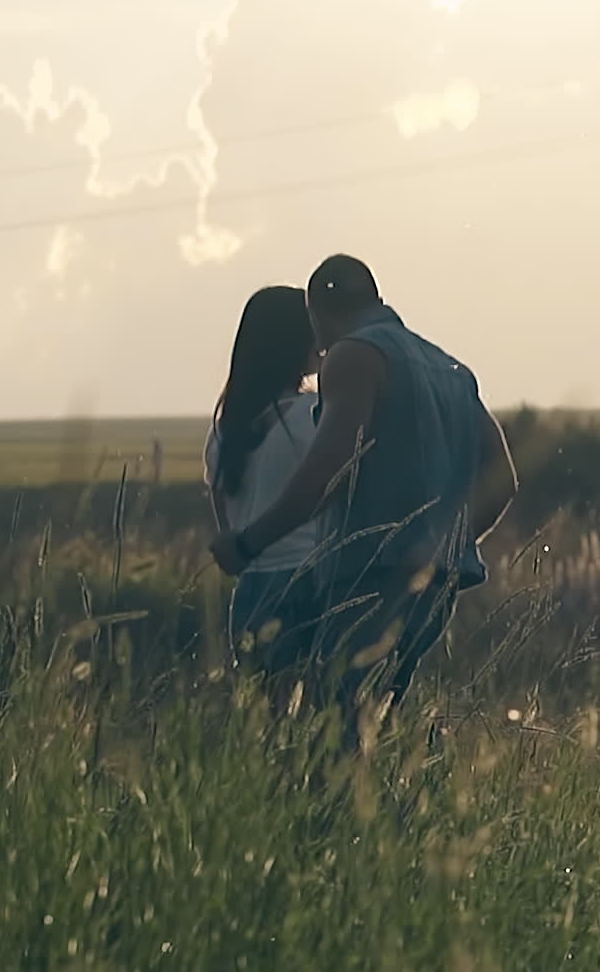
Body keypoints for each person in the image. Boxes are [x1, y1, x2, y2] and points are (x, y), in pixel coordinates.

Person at [211, 256, 517, 717]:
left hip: (370, 576)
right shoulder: (448, 368)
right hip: (436, 585)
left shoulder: (352, 356)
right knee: (376, 726)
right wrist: (441, 546)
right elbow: (504, 480)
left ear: (317, 314)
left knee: (336, 734)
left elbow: (332, 470)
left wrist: (251, 540)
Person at [204, 285, 319, 675]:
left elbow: (225, 523)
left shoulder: (224, 430)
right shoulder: (316, 416)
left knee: (265, 723)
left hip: (251, 593)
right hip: (309, 585)